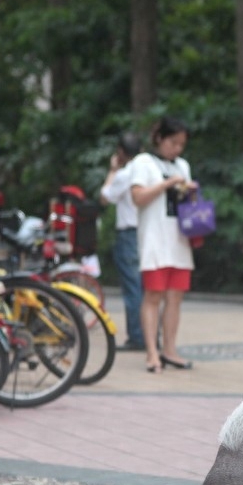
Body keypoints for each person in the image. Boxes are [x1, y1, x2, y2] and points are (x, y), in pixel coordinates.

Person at [127, 116, 196, 374]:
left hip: (179, 240)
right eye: (173, 143)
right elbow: (138, 198)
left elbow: (188, 204)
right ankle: (152, 353)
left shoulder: (183, 165)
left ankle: (170, 350)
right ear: (159, 138)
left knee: (175, 297)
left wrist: (190, 190)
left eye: (181, 144)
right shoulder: (143, 163)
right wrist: (168, 184)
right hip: (154, 240)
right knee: (153, 295)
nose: (177, 149)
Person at [98, 131, 146, 350]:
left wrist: (113, 170)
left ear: (120, 152)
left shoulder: (125, 174)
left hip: (129, 234)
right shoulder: (149, 170)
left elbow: (105, 197)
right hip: (147, 232)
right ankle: (151, 335)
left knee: (133, 287)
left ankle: (137, 336)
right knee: (147, 287)